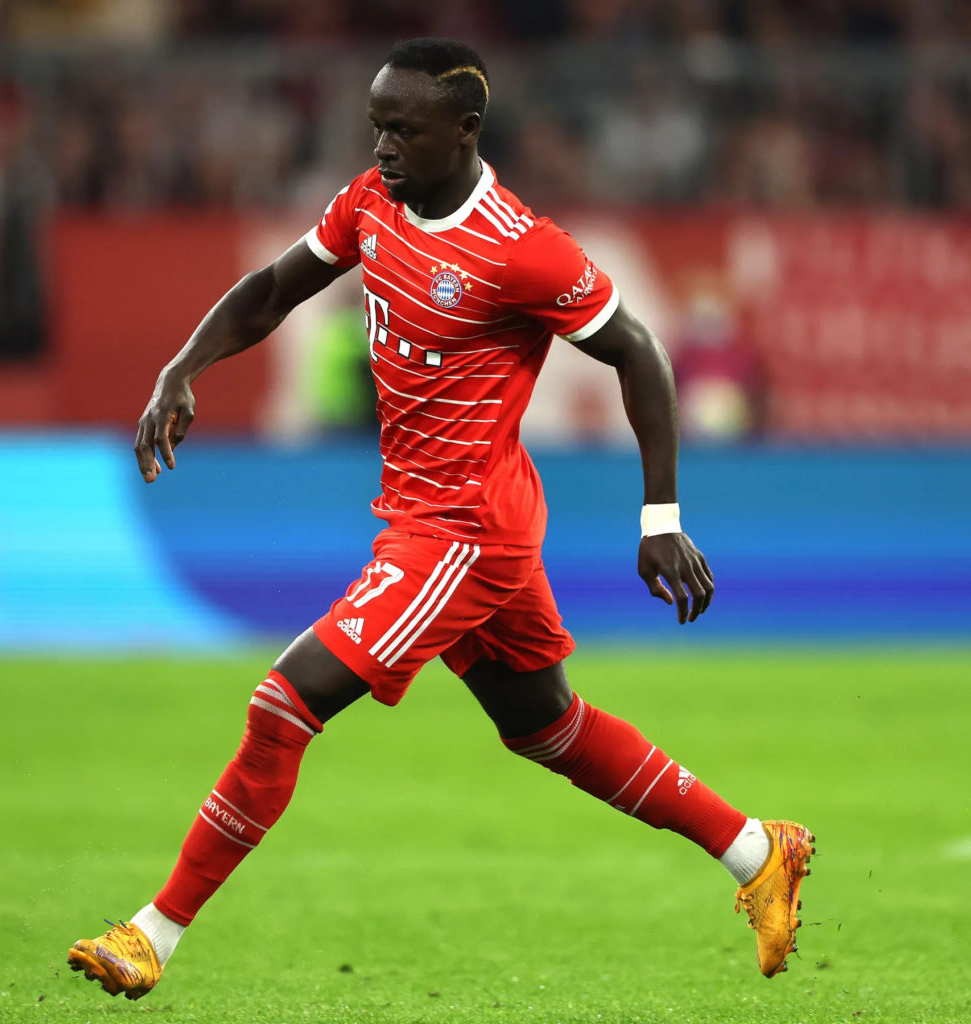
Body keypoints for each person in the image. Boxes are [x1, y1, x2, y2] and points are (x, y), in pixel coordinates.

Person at [67, 38, 813, 1000]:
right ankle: (756, 851)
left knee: (283, 704)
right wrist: (183, 367)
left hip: (462, 533)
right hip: (447, 515)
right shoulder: (371, 203)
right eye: (376, 126)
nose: (382, 146)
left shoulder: (520, 248)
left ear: (464, 130)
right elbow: (273, 290)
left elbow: (639, 353)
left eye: (403, 130)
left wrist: (659, 515)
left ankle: (152, 934)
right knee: (546, 727)